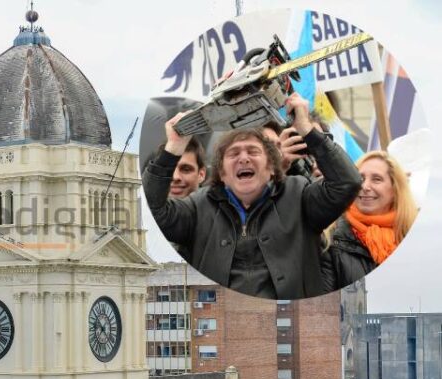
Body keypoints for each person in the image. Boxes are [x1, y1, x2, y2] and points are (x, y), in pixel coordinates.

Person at [142, 92, 362, 299]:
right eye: (234, 153)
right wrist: (173, 148)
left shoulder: (299, 194)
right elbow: (154, 212)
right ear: (222, 173)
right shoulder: (199, 207)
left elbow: (347, 183)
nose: (244, 158)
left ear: (271, 167)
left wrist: (307, 130)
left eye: (253, 151)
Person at [321, 151, 418, 291]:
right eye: (360, 178)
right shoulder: (330, 239)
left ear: (395, 189)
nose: (365, 187)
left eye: (377, 179)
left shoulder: (412, 234)